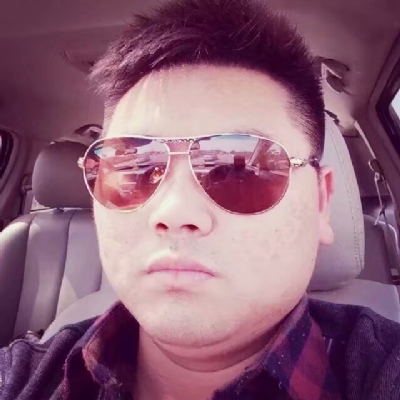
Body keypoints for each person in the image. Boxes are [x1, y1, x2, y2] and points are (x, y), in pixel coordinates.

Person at [2, 0, 400, 399]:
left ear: (320, 203)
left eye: (239, 169)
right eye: (134, 167)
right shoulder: (21, 378)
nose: (174, 211)